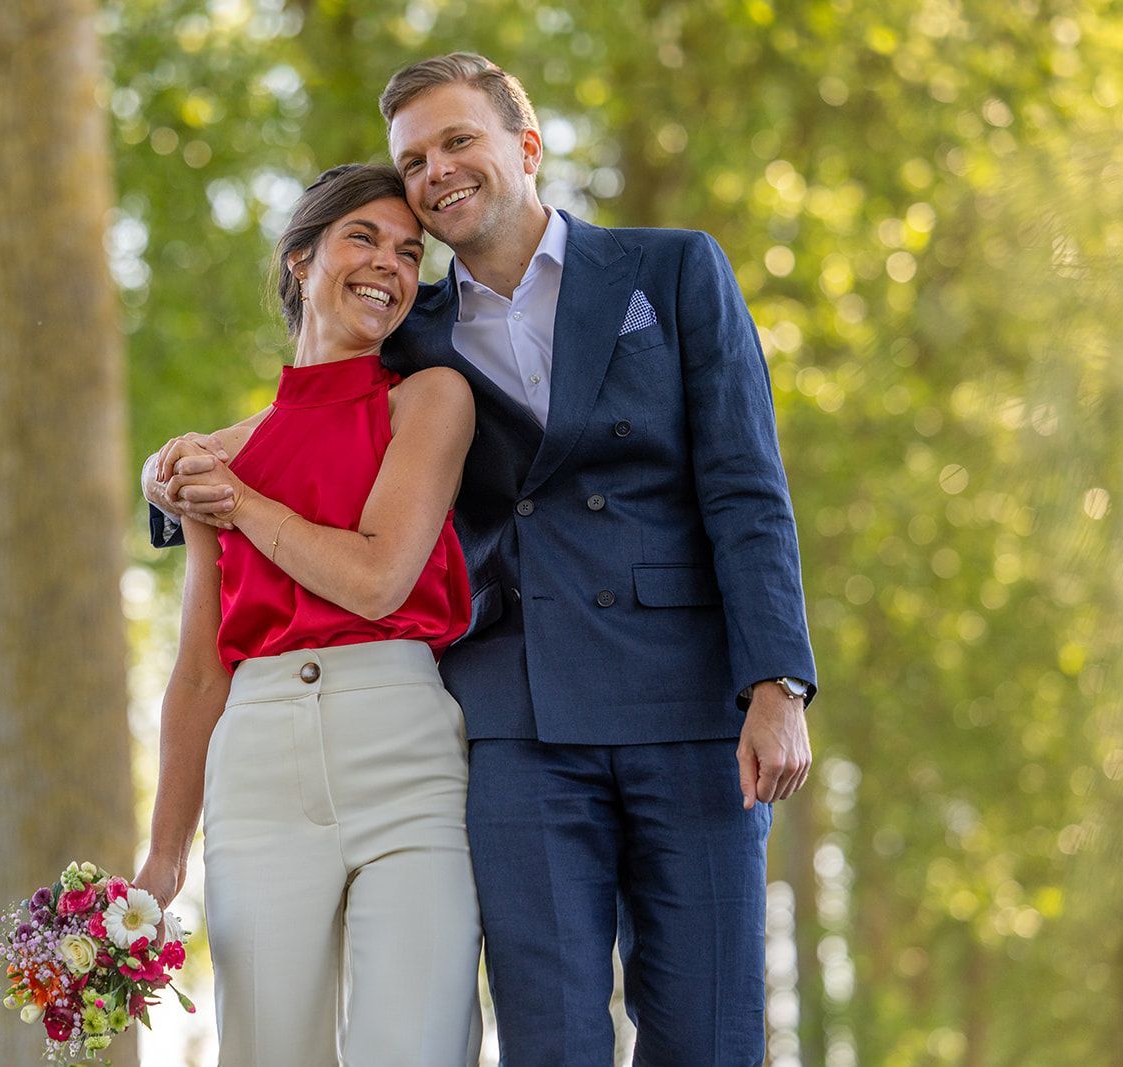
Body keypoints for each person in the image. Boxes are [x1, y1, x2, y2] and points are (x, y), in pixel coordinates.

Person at [146, 55, 817, 1066]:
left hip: (685, 704)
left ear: (525, 147)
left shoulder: (671, 270)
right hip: (515, 716)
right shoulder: (406, 325)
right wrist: (170, 474)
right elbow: (310, 414)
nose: (435, 171)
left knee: (712, 1029)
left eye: (457, 140)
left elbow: (744, 483)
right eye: (412, 159)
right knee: (546, 1037)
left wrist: (778, 682)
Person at [132, 163, 483, 1066]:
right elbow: (202, 668)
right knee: (266, 1050)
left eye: (410, 252)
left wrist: (239, 502)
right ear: (301, 258)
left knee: (420, 1041)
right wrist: (164, 860)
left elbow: (377, 580)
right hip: (258, 766)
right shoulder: (217, 454)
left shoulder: (431, 400)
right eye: (363, 238)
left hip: (403, 751)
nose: (391, 265)